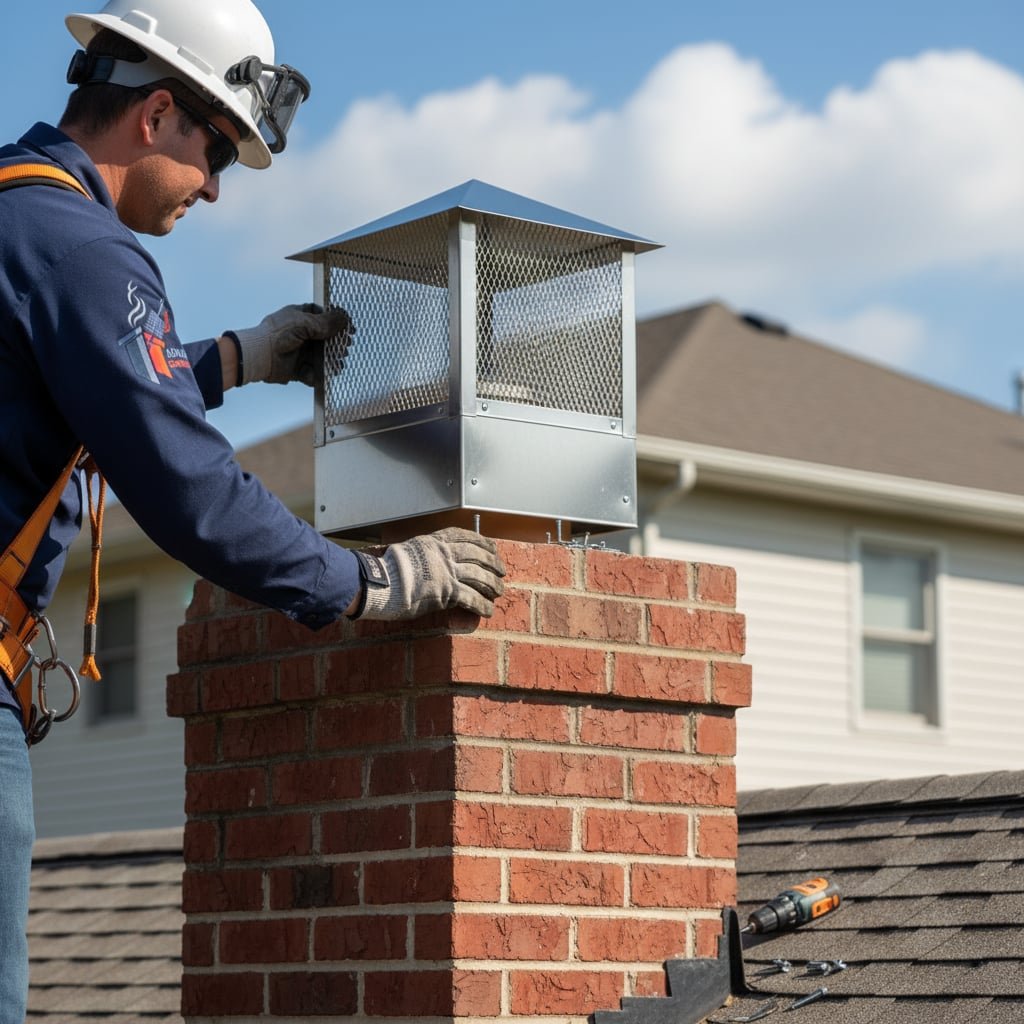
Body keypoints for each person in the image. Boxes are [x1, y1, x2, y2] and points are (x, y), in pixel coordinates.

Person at [0, 1, 505, 1017]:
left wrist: (236, 360)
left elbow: (88, 393)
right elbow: (185, 485)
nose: (217, 190)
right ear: (153, 116)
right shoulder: (82, 248)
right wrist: (367, 579)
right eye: (216, 150)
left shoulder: (18, 213)